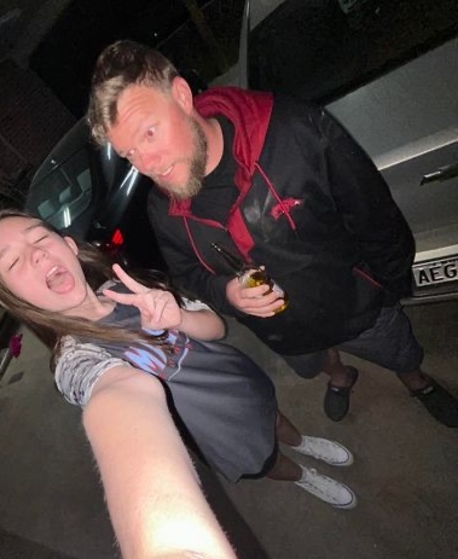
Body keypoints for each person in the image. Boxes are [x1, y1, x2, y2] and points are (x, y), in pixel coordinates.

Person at [86, 39, 458, 428]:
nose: (148, 164)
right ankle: (340, 375)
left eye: (149, 133)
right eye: (130, 154)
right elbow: (189, 275)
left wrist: (389, 289)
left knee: (398, 352)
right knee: (317, 363)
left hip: (355, 304)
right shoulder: (161, 208)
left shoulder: (294, 132)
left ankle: (417, 382)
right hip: (285, 331)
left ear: (181, 95)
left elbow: (373, 215)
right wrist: (227, 294)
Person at [0, 211, 358, 559]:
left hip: (238, 383)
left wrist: (180, 318)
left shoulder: (127, 287)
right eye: (14, 262)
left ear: (69, 246)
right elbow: (110, 395)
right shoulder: (74, 359)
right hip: (216, 431)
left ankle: (304, 443)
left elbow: (215, 328)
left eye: (40, 238)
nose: (36, 254)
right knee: (267, 460)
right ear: (15, 297)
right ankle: (303, 475)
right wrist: (170, 554)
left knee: (273, 418)